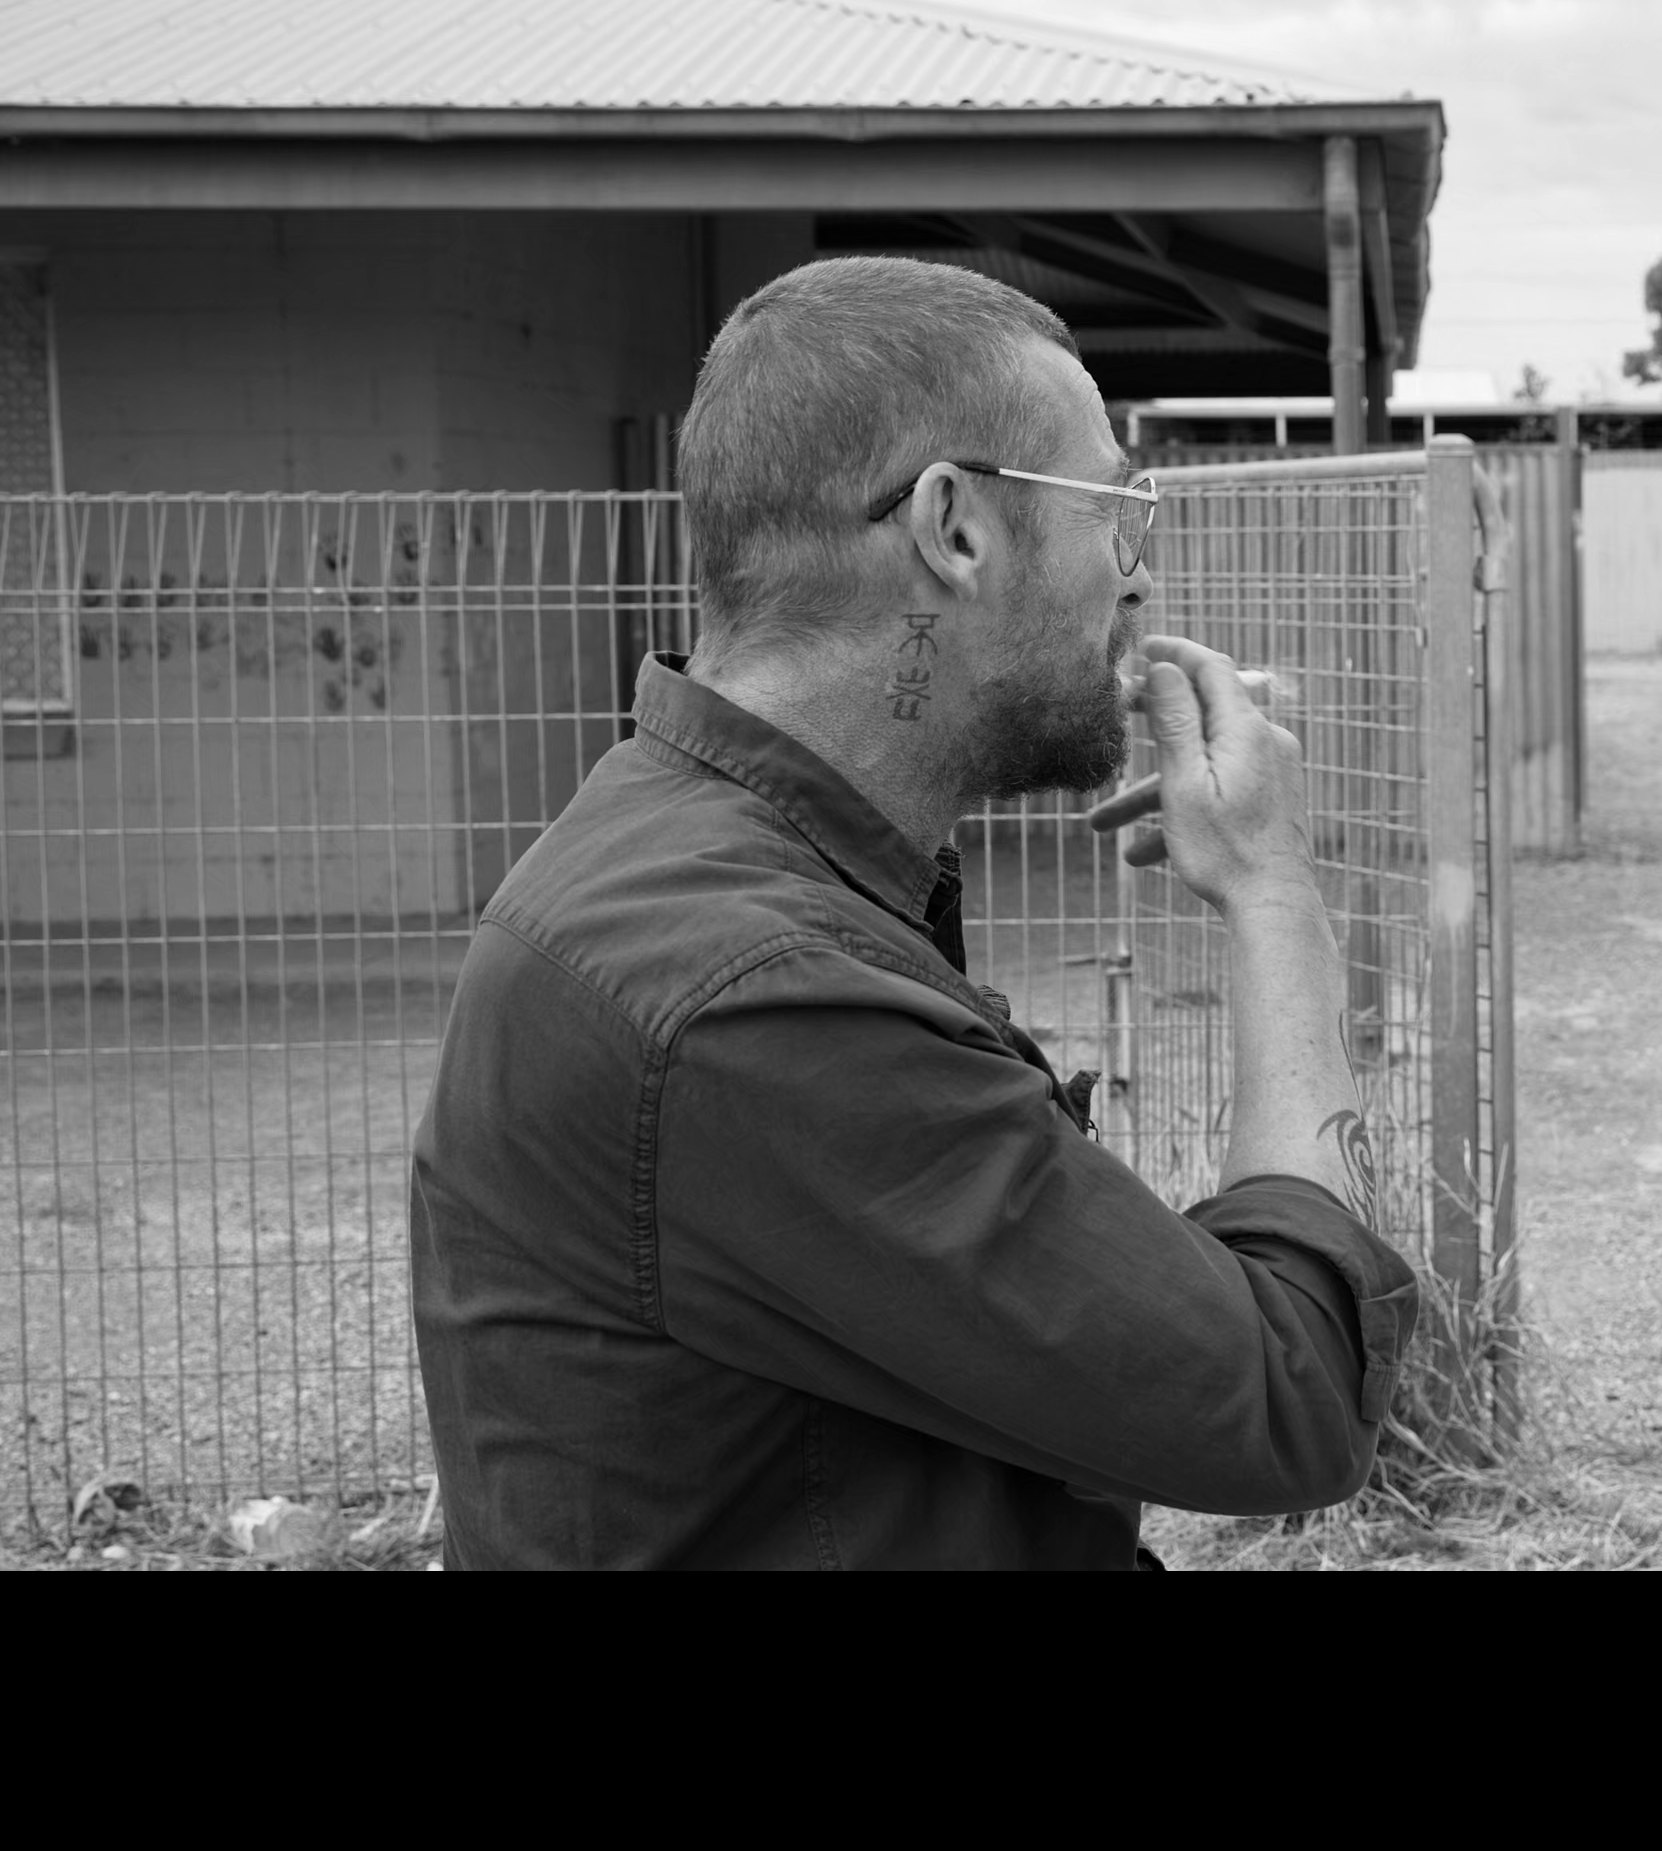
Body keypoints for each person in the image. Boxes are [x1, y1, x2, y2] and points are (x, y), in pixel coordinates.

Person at [407, 256, 1413, 1569]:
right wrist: (1276, 892)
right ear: (955, 527)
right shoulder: (757, 991)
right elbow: (1293, 1397)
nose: (1137, 579)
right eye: (1116, 509)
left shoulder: (692, 855)